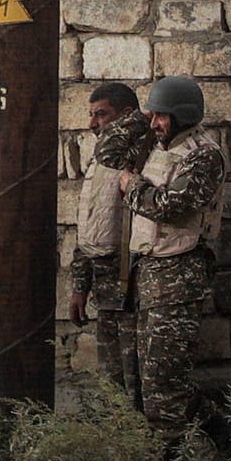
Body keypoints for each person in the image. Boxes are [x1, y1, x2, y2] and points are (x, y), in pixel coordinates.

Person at [117, 76, 229, 461]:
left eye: (161, 117)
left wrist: (131, 187)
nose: (154, 125)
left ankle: (214, 453)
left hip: (179, 277)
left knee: (167, 384)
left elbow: (172, 205)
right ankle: (220, 451)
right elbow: (108, 152)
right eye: (153, 117)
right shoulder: (157, 147)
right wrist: (137, 119)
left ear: (183, 116)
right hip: (149, 274)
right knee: (152, 382)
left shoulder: (203, 154)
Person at [70, 82, 156, 405]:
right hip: (104, 292)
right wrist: (80, 286)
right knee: (112, 387)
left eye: (101, 115)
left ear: (125, 117)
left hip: (131, 290)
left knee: (138, 386)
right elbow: (89, 226)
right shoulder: (100, 161)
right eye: (91, 115)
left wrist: (137, 119)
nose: (93, 124)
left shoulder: (141, 151)